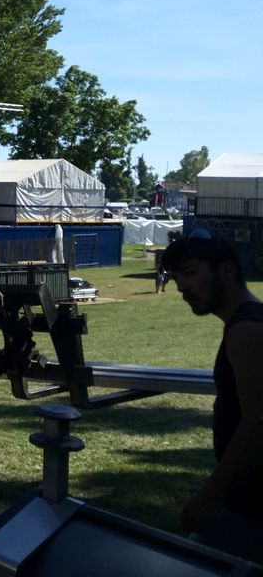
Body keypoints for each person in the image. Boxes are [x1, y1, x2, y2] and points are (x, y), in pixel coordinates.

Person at [162, 230, 263, 563]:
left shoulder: (246, 330)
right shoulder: (248, 322)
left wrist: (210, 495)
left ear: (227, 271)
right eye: (176, 278)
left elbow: (257, 423)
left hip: (252, 506)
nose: (181, 287)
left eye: (190, 273)